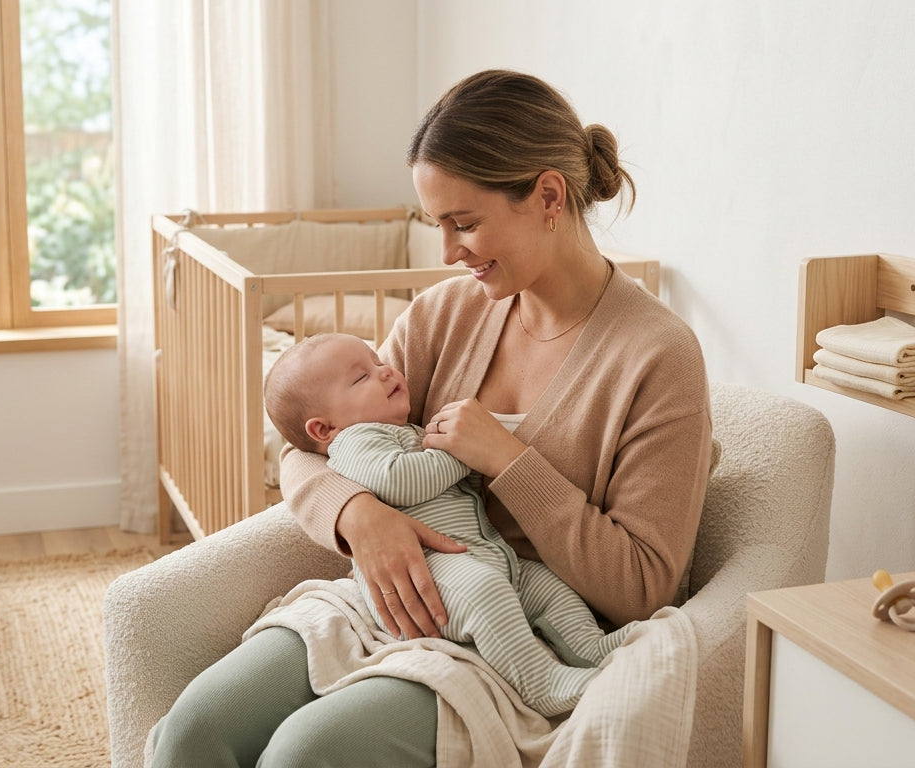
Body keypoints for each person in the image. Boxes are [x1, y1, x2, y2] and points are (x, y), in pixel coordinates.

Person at [149, 68, 713, 768]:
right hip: (387, 601)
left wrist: (509, 461)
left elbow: (644, 585)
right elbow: (310, 444)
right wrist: (359, 515)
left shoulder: (658, 355)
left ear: (548, 196)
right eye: (436, 226)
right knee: (191, 732)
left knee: (304, 755)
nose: (448, 253)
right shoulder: (445, 315)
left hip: (520, 639)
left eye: (464, 224)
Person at [262, 331, 636, 717]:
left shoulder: (404, 431)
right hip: (430, 574)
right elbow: (400, 480)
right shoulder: (355, 441)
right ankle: (539, 682)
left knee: (549, 588)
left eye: (378, 362)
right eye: (362, 377)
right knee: (485, 594)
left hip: (486, 555)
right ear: (324, 430)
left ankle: (590, 647)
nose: (386, 371)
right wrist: (463, 453)